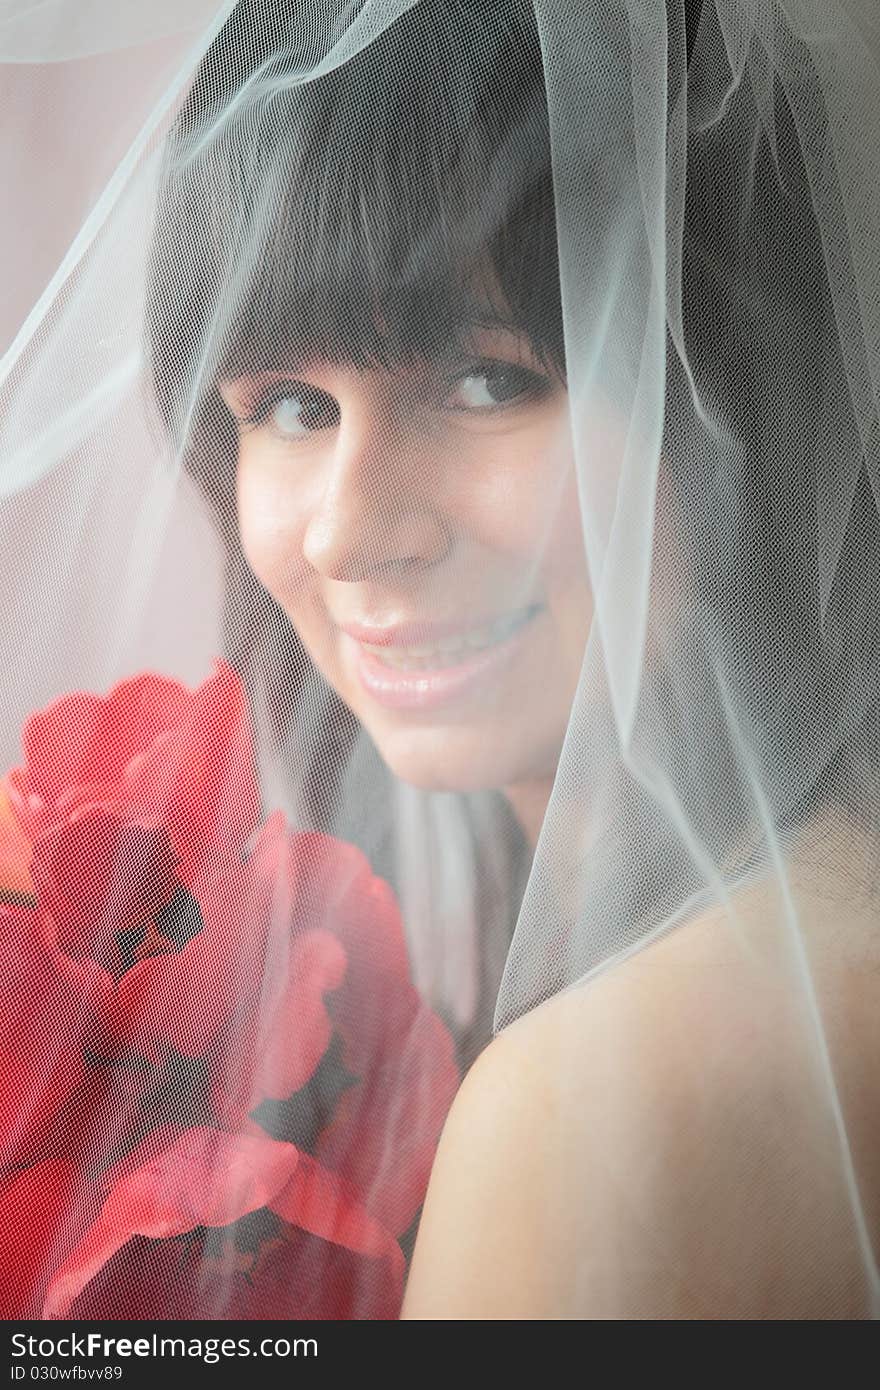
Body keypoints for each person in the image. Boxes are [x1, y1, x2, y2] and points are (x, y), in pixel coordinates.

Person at [4, 0, 879, 1318]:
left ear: (741, 389)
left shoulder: (589, 1112)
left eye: (487, 380)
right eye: (290, 406)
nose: (354, 532)